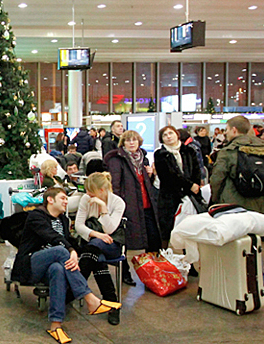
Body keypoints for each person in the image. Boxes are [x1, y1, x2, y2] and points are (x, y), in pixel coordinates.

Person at [11, 187, 121, 343]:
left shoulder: (63, 219)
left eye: (66, 199)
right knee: (60, 251)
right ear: (50, 200)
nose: (66, 201)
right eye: (62, 198)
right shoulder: (36, 216)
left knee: (58, 269)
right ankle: (89, 298)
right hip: (31, 263)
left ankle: (56, 325)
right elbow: (51, 236)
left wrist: (82, 248)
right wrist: (70, 251)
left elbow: (69, 240)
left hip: (51, 266)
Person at [104, 130, 162, 285]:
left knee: (153, 238)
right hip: (128, 205)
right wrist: (116, 206)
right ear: (123, 142)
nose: (131, 143)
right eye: (128, 140)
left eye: (134, 140)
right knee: (126, 242)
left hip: (146, 203)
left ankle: (153, 272)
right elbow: (114, 184)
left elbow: (146, 182)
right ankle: (125, 273)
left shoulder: (143, 159)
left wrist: (152, 174)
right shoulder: (117, 159)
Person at [74, 172, 124, 325]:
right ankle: (111, 302)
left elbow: (109, 229)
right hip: (93, 241)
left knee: (92, 251)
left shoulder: (118, 202)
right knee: (95, 256)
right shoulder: (85, 199)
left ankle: (72, 289)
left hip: (112, 242)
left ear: (101, 191)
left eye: (91, 191)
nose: (88, 194)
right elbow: (78, 225)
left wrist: (103, 208)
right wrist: (97, 235)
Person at [210, 115, 264, 213]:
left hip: (235, 205)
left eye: (227, 129)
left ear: (234, 130)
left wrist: (215, 200)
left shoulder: (229, 151)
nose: (225, 132)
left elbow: (217, 178)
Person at [154, 125, 201, 248]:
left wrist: (195, 185)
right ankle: (165, 257)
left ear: (177, 135)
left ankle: (191, 261)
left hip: (190, 196)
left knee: (191, 229)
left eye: (171, 133)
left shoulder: (189, 151)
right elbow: (169, 176)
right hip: (169, 196)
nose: (168, 136)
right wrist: (189, 185)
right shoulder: (160, 154)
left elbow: (196, 170)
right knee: (167, 229)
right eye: (165, 135)